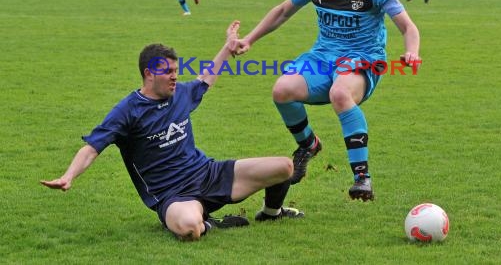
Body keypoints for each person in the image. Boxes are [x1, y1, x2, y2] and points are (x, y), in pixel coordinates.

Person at [41, 21, 304, 242]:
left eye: (176, 71)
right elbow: (92, 147)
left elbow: (206, 79)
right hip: (173, 195)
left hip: (207, 173)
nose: (174, 77)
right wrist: (68, 176)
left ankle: (272, 213)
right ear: (148, 74)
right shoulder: (127, 111)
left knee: (284, 167)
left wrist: (227, 47)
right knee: (190, 228)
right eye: (167, 72)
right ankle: (208, 223)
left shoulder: (180, 94)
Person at [231, 0, 421, 202]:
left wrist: (411, 52)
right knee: (281, 90)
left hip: (363, 57)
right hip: (323, 56)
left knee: (340, 93)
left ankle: (362, 178)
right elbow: (284, 11)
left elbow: (407, 27)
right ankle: (308, 145)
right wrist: (249, 39)